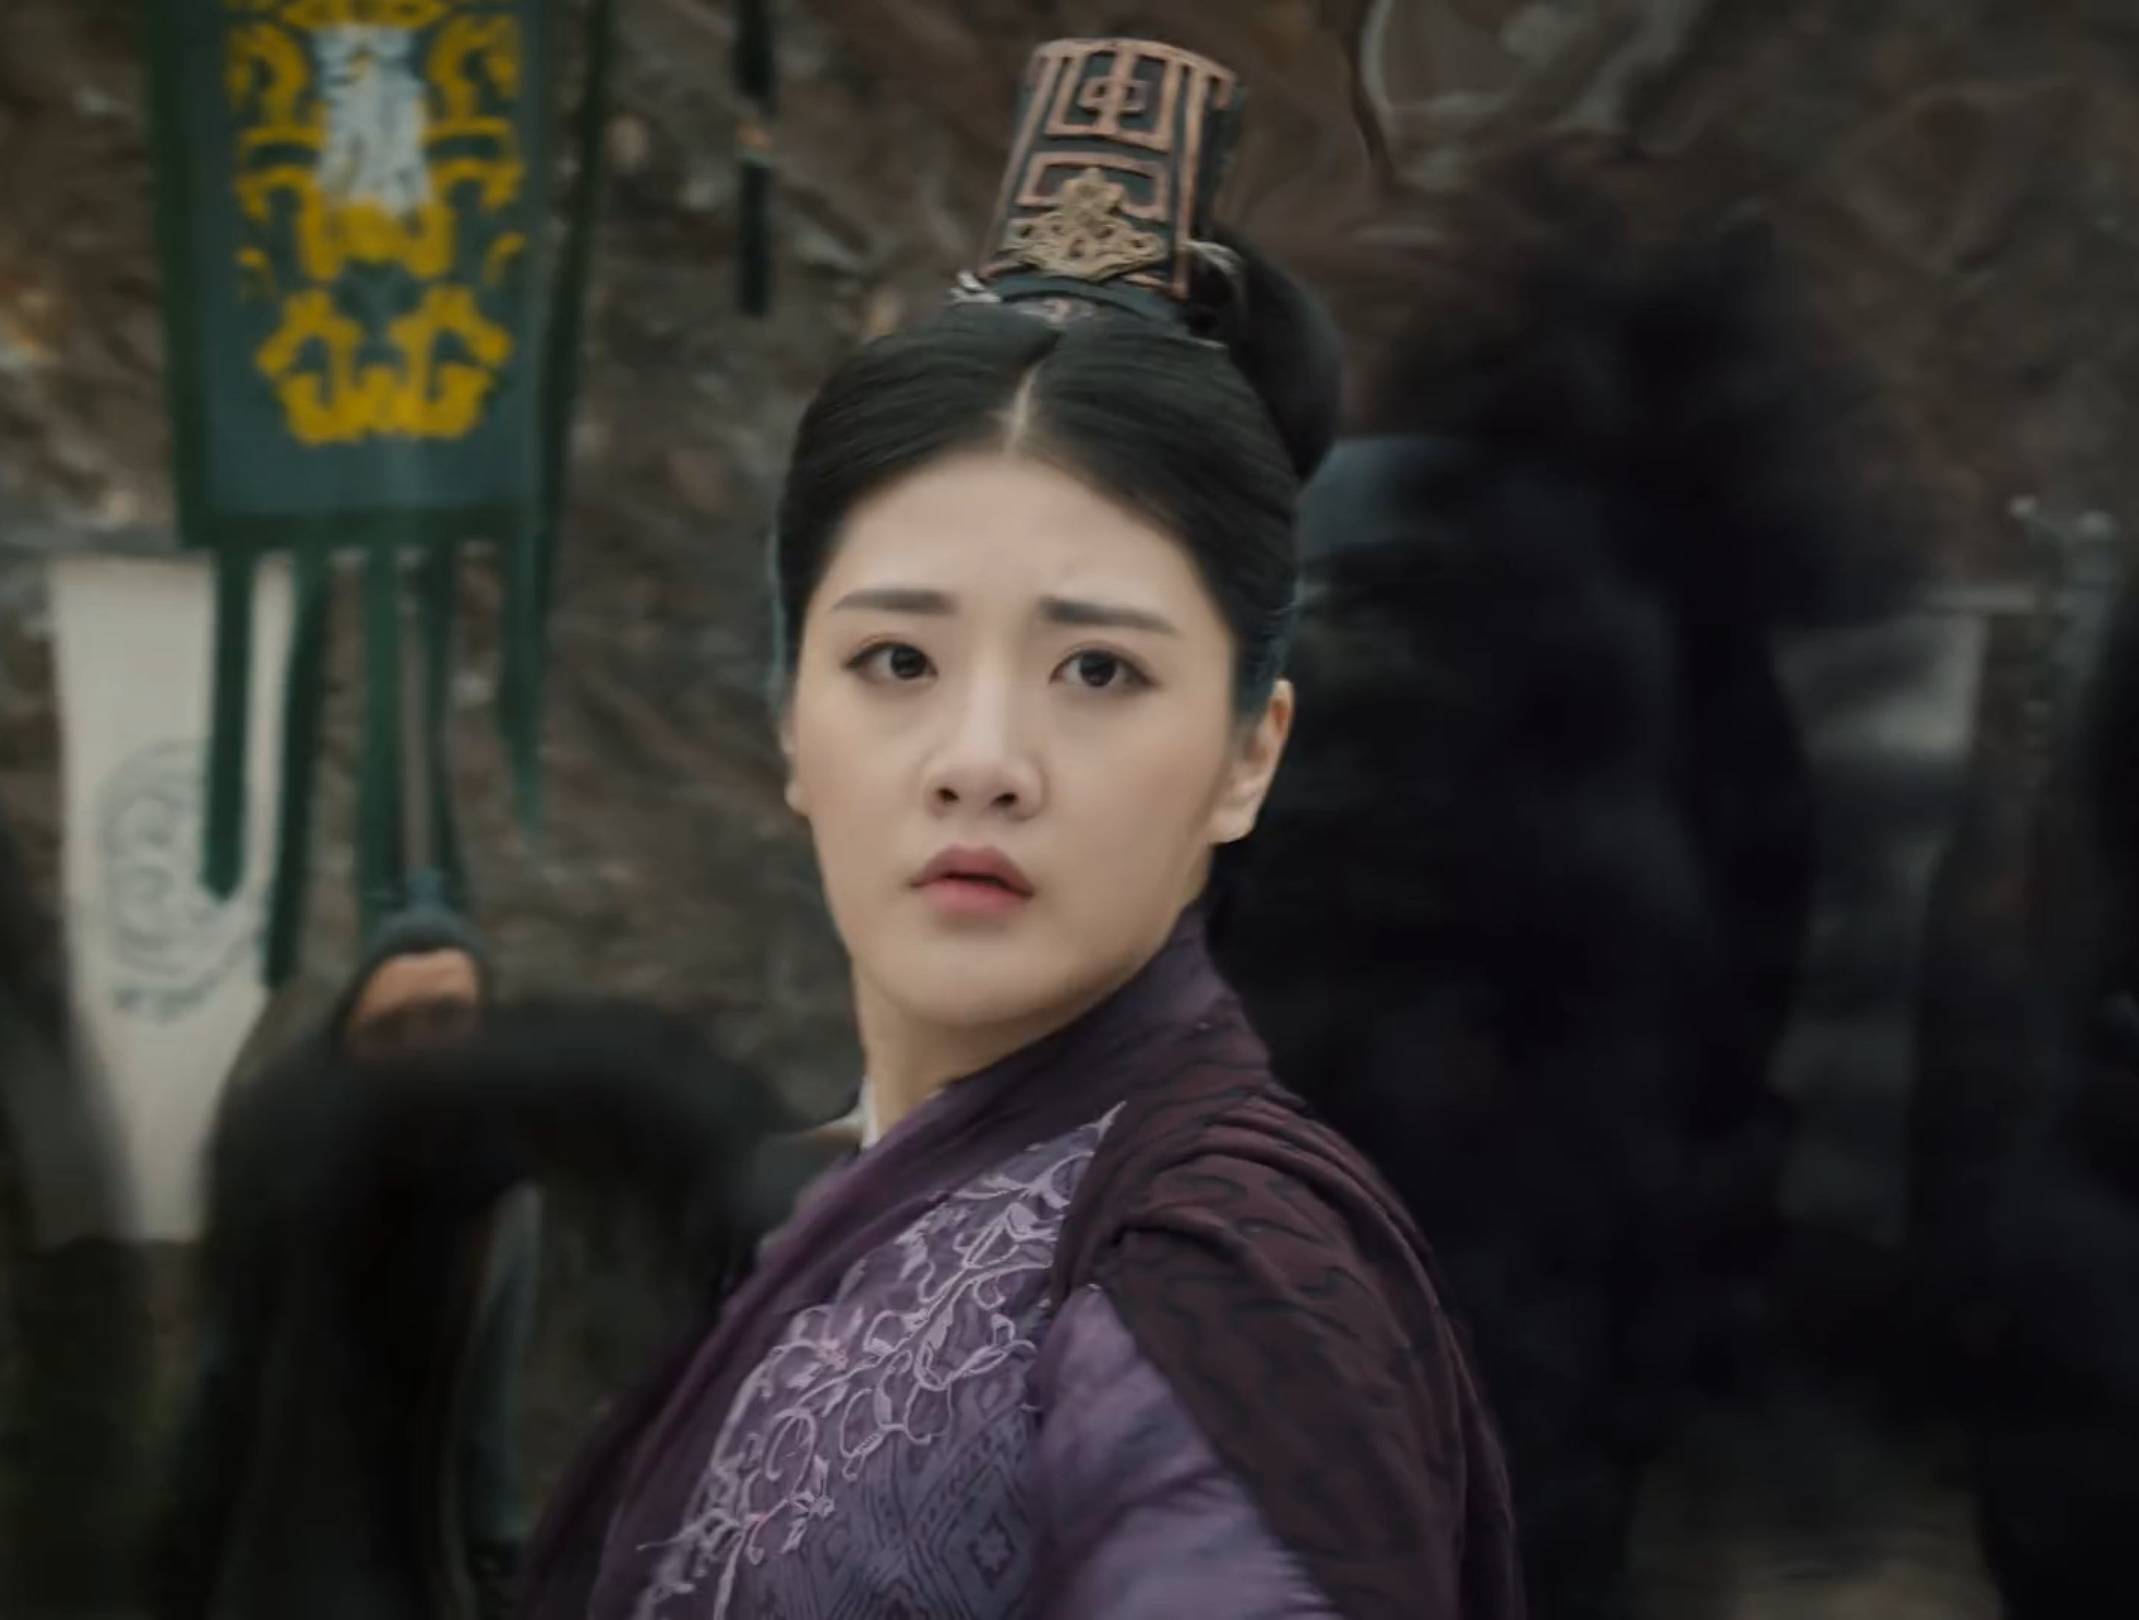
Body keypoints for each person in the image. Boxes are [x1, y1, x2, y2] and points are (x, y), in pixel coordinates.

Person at [515, 37, 1521, 1620]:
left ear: (1249, 754)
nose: (980, 763)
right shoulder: (831, 1202)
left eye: (1098, 670)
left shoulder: (1218, 1282)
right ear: (790, 719)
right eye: (896, 662)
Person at [161, 875, 542, 1620]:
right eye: (392, 1029)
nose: (423, 1053)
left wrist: (500, 1570)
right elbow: (225, 1391)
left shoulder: (504, 1207)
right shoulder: (289, 1185)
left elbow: (485, 1426)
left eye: (448, 1020)